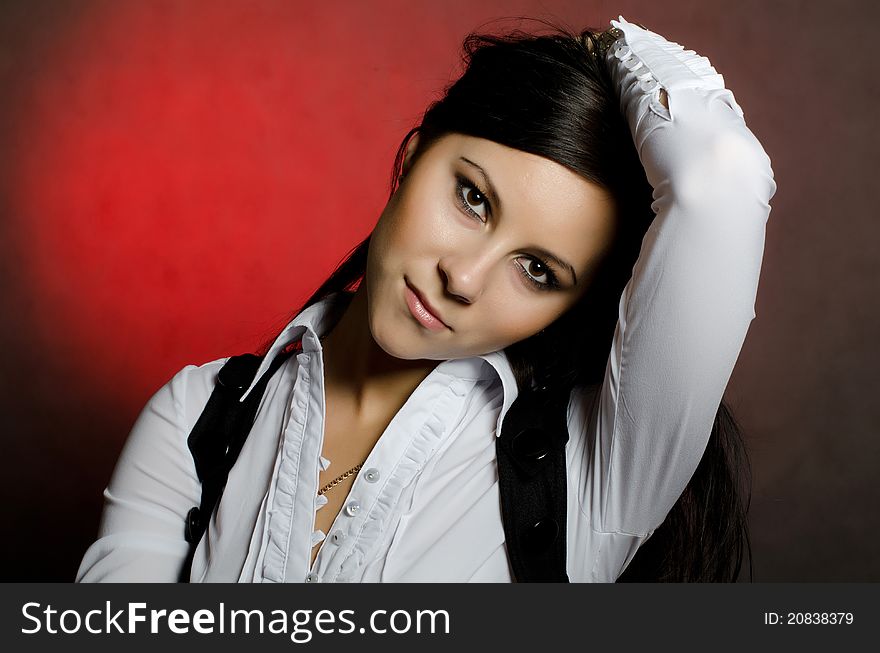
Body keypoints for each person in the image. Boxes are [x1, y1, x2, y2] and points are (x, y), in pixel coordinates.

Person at [76, 16, 776, 583]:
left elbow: (722, 180)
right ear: (412, 158)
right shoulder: (196, 420)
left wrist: (615, 45)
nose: (463, 278)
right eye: (473, 198)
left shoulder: (590, 472)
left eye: (536, 270)